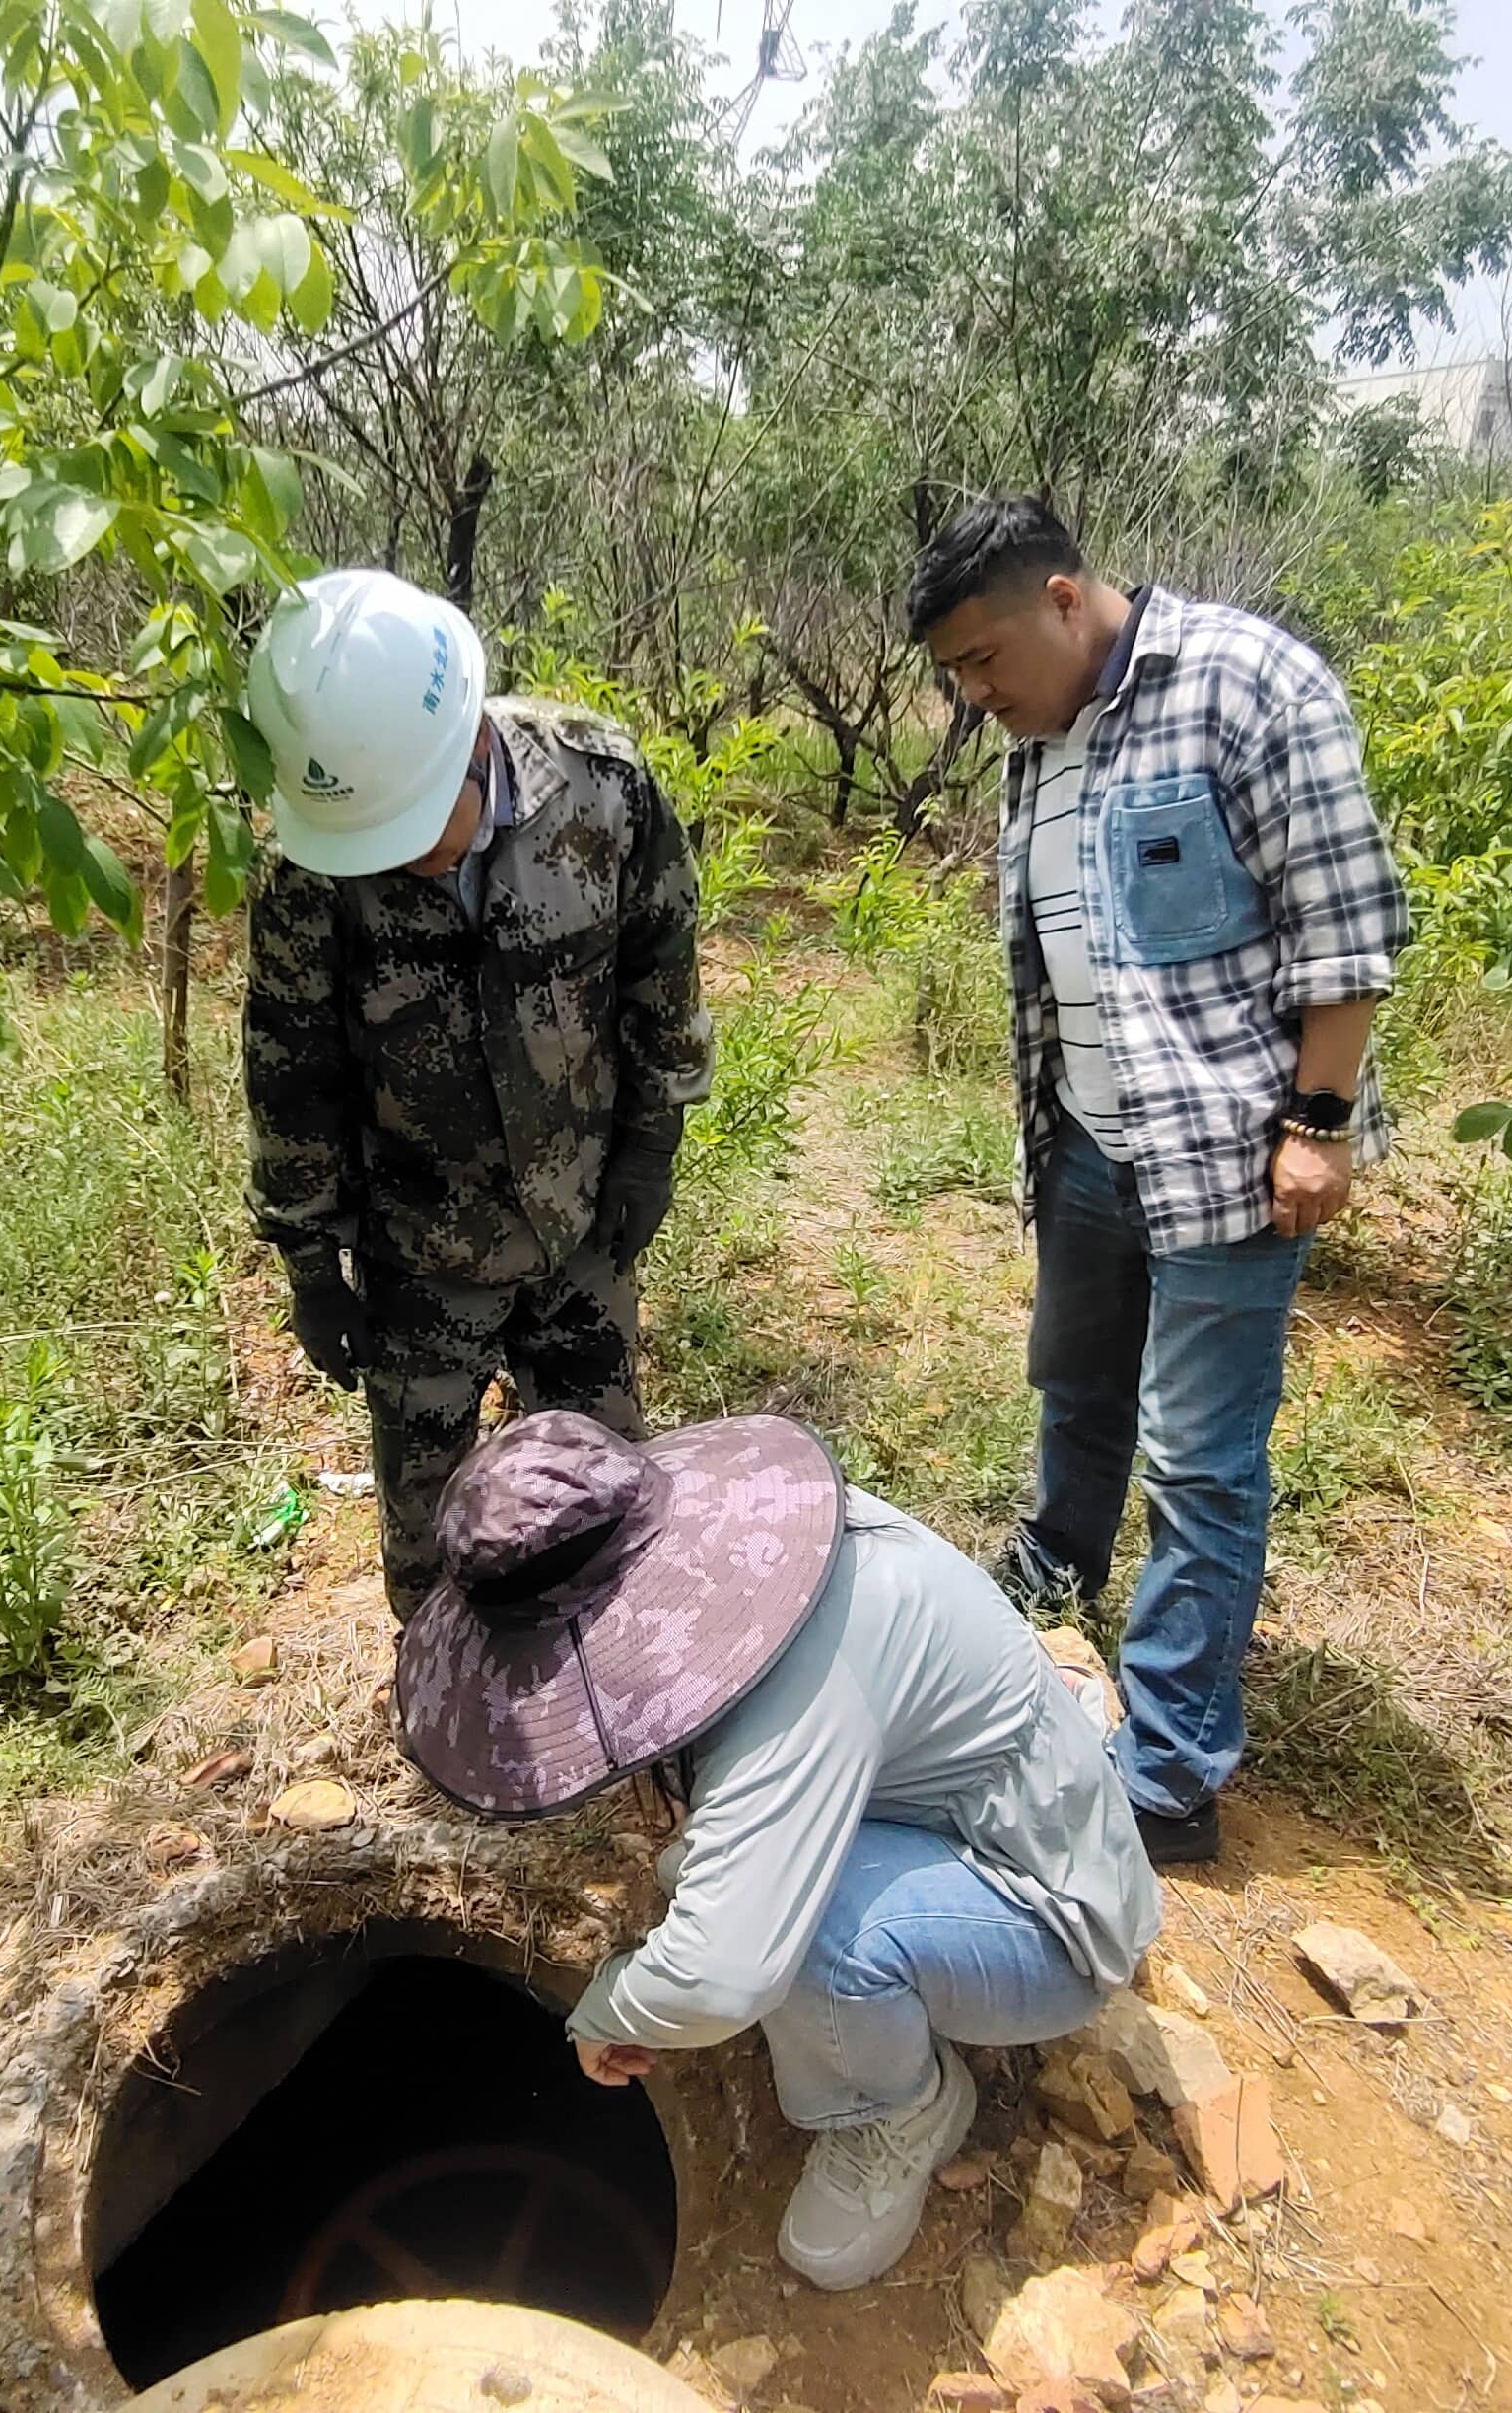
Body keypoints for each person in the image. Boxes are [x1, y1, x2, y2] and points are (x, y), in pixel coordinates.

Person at [905, 497, 1409, 1868]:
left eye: (984, 658)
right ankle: (1055, 1574)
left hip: (1228, 1158)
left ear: (1066, 599)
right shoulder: (1037, 738)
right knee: (1078, 1388)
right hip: (1082, 1137)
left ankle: (1172, 1775)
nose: (975, 694)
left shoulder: (1251, 686)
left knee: (1199, 1459)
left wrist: (1319, 1121)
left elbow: (1347, 927)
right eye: (954, 674)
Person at [391, 1410, 1162, 2293]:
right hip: (971, 1809)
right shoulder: (758, 1554)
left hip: (1048, 1909)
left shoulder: (795, 1690)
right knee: (744, 1896)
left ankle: (900, 2109)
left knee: (806, 1938)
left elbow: (725, 1975)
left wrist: (610, 2010)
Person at [242, 570, 714, 1617]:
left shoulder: (601, 786)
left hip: (582, 1223)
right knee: (430, 1551)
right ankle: (447, 1694)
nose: (400, 861)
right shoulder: (309, 869)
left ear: (468, 746)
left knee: (605, 1506)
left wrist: (652, 1142)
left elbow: (661, 961)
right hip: (419, 1255)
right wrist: (311, 1263)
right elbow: (292, 1069)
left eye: (413, 827)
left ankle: (613, 1687)